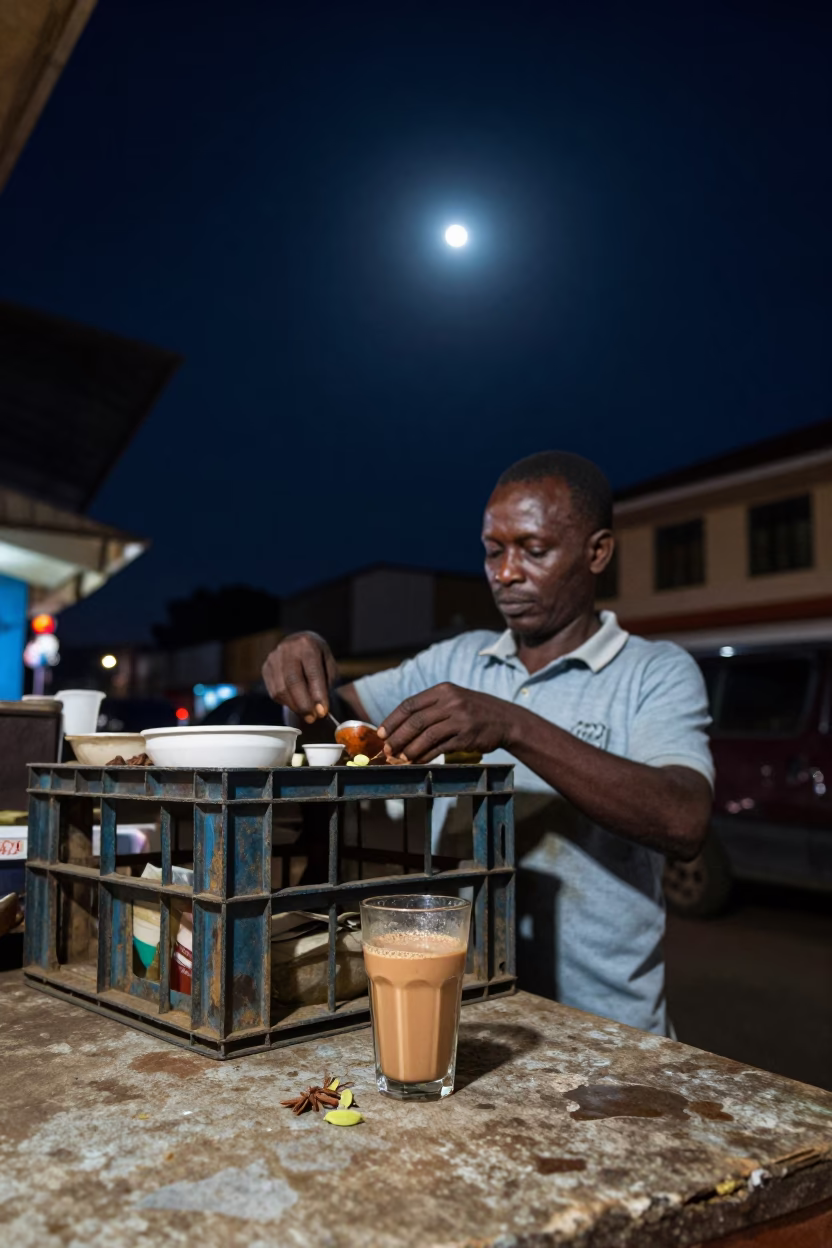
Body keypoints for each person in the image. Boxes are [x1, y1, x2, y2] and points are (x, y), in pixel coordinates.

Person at [263, 451, 713, 1035]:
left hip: (604, 1030)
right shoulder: (458, 659)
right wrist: (304, 658)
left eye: (533, 550)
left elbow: (683, 819)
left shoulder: (654, 671)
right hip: (462, 1011)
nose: (505, 573)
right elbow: (330, 723)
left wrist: (514, 726)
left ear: (597, 551)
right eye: (493, 551)